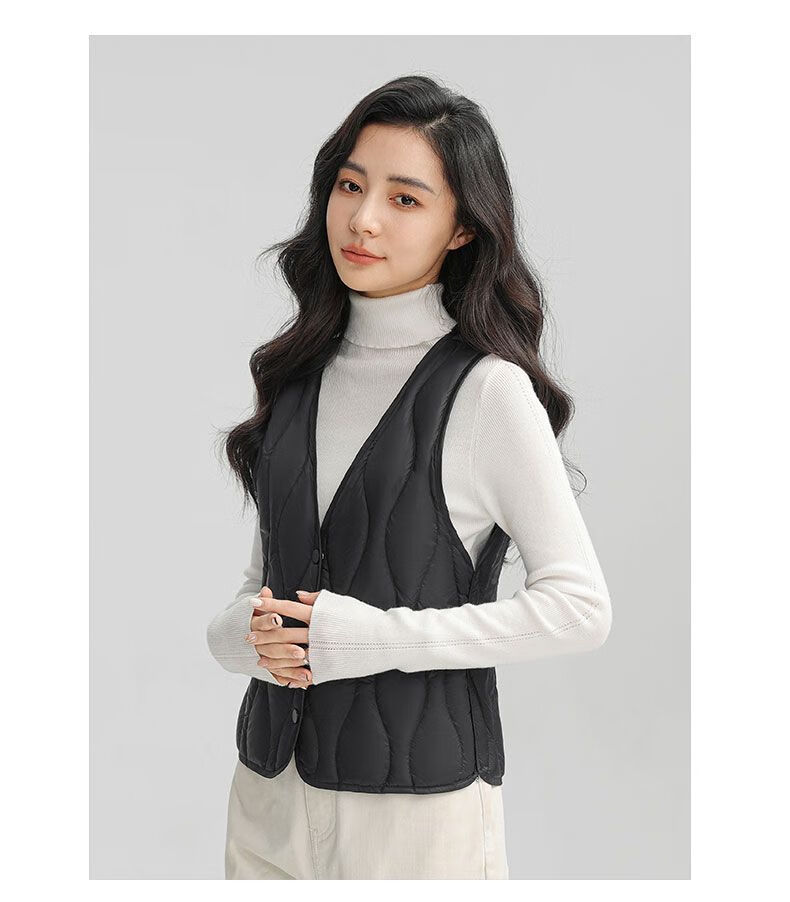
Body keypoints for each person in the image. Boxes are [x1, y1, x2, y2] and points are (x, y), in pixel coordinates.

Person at [207, 74, 612, 880]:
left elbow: (580, 610)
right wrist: (241, 638)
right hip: (266, 798)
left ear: (462, 229)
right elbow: (262, 592)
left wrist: (374, 639)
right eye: (350, 186)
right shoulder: (295, 378)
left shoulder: (487, 392)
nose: (363, 219)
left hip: (419, 816)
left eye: (405, 199)